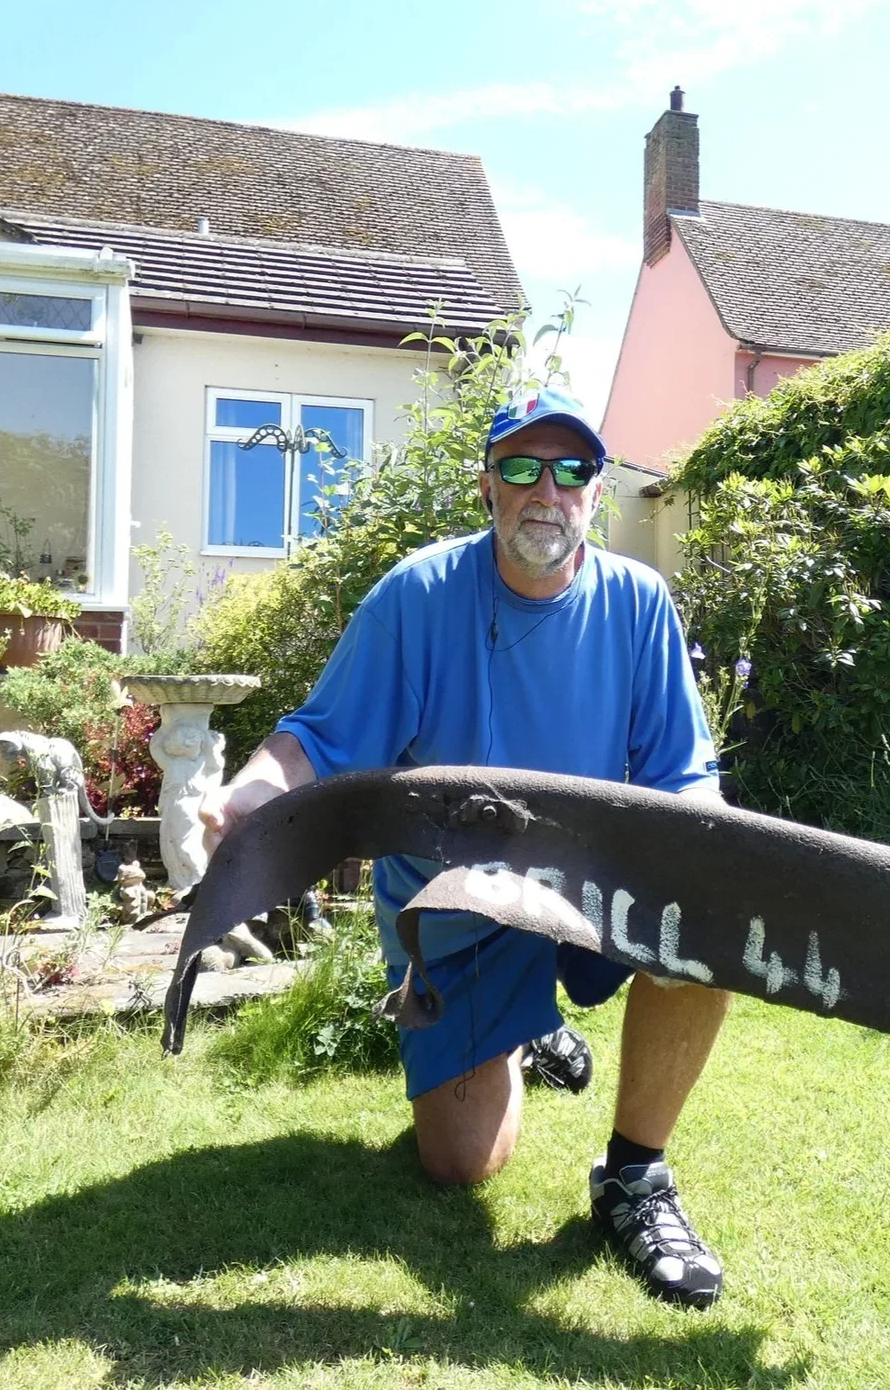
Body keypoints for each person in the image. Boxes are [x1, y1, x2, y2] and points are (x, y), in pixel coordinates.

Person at [199, 384, 733, 1309]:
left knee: (706, 933)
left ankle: (635, 1175)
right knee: (460, 1164)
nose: (546, 490)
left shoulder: (639, 603)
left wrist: (710, 848)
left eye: (571, 469)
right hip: (455, 899)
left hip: (587, 882)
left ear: (595, 489)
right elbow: (319, 737)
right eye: (522, 467)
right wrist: (254, 792)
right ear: (487, 485)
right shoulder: (416, 596)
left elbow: (683, 776)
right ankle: (526, 1025)